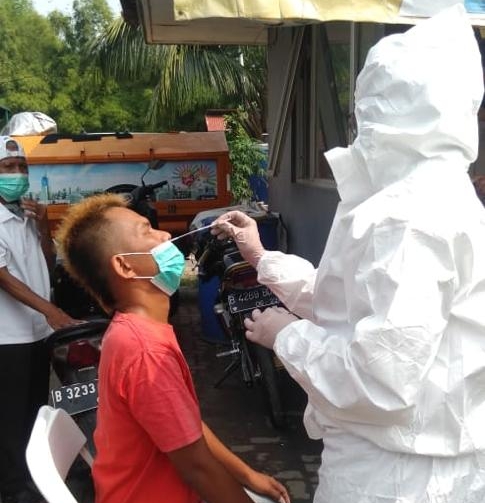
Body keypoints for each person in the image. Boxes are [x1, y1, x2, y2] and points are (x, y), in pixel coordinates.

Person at [211, 5, 485, 503]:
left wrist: (287, 336)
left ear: (386, 115)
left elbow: (381, 377)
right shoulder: (435, 199)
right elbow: (354, 305)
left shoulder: (408, 215)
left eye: (365, 112)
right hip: (417, 466)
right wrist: (261, 258)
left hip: (397, 477)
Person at [55, 193, 290, 503]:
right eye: (146, 231)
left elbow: (187, 426)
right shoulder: (146, 352)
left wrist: (248, 476)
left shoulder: (133, 332)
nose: (164, 235)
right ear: (125, 266)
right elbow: (197, 467)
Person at [0, 136, 79, 503]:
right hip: (7, 336)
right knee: (11, 414)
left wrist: (45, 227)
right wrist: (52, 311)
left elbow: (47, 265)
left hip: (36, 332)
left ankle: (34, 473)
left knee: (36, 406)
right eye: (7, 168)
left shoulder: (26, 213)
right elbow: (4, 278)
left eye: (22, 168)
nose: (17, 174)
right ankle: (13, 487)